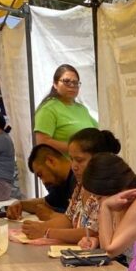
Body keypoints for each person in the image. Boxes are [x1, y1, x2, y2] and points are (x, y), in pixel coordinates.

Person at [6, 129, 124, 271]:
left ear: (100, 159)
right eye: (72, 159)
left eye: (79, 160)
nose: (74, 166)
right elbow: (69, 217)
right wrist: (44, 229)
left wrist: (48, 231)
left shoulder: (113, 190)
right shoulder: (82, 185)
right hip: (83, 253)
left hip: (107, 263)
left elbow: (97, 233)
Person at [33, 64, 97, 210]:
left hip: (86, 173)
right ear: (55, 84)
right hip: (65, 175)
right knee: (70, 214)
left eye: (76, 83)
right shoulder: (48, 109)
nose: (72, 86)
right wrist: (76, 149)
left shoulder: (82, 109)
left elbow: (96, 134)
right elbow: (43, 142)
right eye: (66, 81)